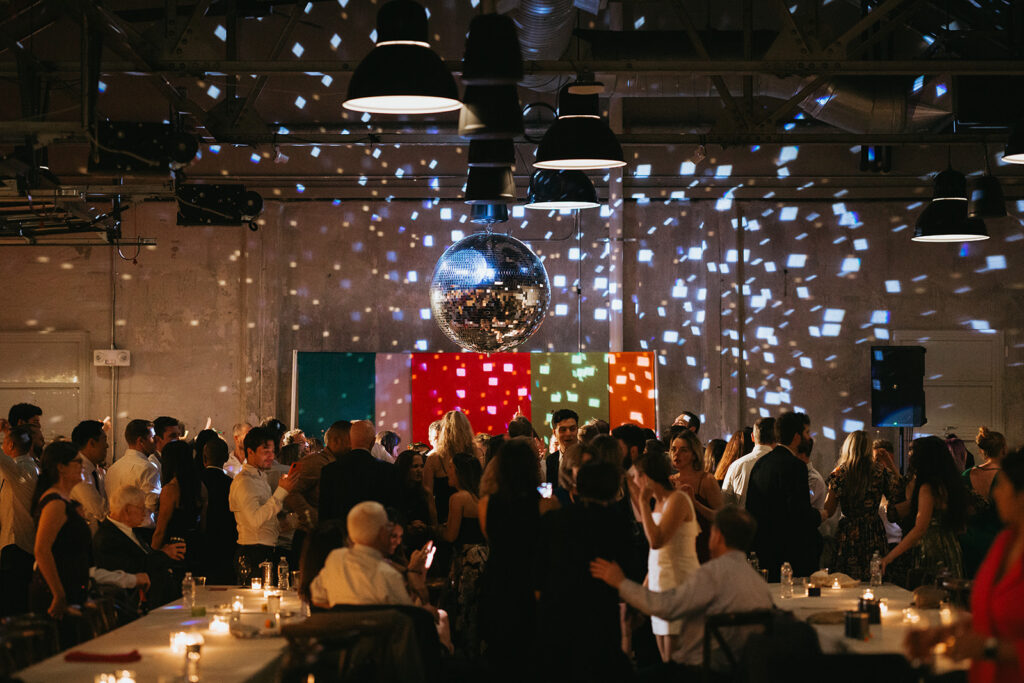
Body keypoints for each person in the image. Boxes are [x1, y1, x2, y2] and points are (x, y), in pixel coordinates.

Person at [591, 505, 773, 676]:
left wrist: (620, 582)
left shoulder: (711, 574)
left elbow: (667, 606)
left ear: (717, 536)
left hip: (697, 673)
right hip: (740, 674)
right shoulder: (759, 584)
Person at [904, 445, 1024, 683]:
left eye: (1004, 487)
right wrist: (945, 633)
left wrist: (989, 648)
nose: (996, 494)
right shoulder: (1005, 542)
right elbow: (995, 614)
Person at [536, 461, 635, 683]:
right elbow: (628, 565)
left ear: (577, 487)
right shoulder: (616, 521)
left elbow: (539, 568)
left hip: (558, 610)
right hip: (600, 609)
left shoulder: (556, 518)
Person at [478, 437, 559, 681]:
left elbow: (494, 541)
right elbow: (550, 547)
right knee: (532, 657)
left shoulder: (486, 504)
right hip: (532, 583)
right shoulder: (546, 505)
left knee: (500, 658)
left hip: (498, 582)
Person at [629, 449, 699, 661]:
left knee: (675, 661)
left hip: (678, 585)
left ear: (646, 477)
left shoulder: (677, 500)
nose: (633, 482)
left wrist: (642, 503)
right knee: (665, 658)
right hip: (661, 586)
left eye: (635, 477)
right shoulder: (659, 503)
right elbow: (655, 556)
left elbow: (657, 541)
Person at [745, 411, 821, 581]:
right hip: (788, 553)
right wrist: (819, 515)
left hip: (764, 549)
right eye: (806, 433)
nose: (809, 438)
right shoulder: (796, 467)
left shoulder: (761, 463)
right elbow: (799, 514)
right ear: (796, 437)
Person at [310, 501, 430, 607]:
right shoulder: (389, 576)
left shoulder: (335, 559)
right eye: (388, 527)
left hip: (341, 631)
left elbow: (317, 597)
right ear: (381, 533)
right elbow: (410, 619)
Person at [882, 435, 967, 582]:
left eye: (912, 452)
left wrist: (889, 558)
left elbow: (920, 529)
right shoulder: (950, 484)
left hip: (931, 549)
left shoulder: (928, 488)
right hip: (951, 546)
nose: (909, 456)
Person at [822, 431, 902, 580]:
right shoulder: (880, 472)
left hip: (848, 531)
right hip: (874, 529)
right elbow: (898, 491)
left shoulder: (839, 474)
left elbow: (829, 509)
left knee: (846, 579)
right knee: (874, 577)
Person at [93, 486, 185, 609]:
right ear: (127, 510)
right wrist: (164, 554)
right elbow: (133, 566)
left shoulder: (129, 529)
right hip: (140, 603)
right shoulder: (108, 537)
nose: (145, 512)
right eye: (141, 508)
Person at [30, 441, 91, 621]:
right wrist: (58, 593)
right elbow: (42, 549)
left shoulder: (66, 501)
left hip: (71, 586)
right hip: (55, 590)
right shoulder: (55, 503)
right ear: (61, 468)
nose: (82, 466)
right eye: (77, 462)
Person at [229, 426, 298, 571]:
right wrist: (281, 491)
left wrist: (284, 522)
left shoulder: (260, 477)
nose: (271, 457)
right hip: (253, 553)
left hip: (267, 550)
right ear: (250, 452)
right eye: (266, 452)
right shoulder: (245, 481)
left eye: (273, 452)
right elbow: (254, 520)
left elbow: (265, 517)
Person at [440, 452, 487, 658]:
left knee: (463, 609)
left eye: (450, 468)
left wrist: (434, 529)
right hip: (484, 556)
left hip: (466, 560)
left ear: (459, 472)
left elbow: (451, 535)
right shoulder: (482, 497)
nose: (447, 471)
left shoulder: (458, 498)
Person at [319, 420, 398, 523]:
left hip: (342, 534)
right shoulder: (388, 471)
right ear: (373, 442)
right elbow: (393, 511)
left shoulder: (330, 471)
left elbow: (324, 514)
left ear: (350, 440)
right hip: (375, 532)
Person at [0, 424, 39, 615]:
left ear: (11, 446)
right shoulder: (32, 468)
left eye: (4, 443)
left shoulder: (20, 469)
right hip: (26, 544)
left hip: (16, 545)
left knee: (13, 604)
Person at [668, 428, 723, 563]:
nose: (677, 454)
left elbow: (721, 517)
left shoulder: (705, 480)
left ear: (694, 454)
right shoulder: (669, 481)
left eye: (683, 450)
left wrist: (695, 503)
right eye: (674, 449)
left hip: (701, 550)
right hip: (675, 550)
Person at [961, 426, 1007, 577]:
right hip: (998, 542)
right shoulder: (1007, 477)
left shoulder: (967, 475)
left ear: (982, 450)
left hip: (969, 542)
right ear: (1003, 449)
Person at [151, 440, 202, 570]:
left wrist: (152, 556)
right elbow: (204, 522)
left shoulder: (171, 489)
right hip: (195, 546)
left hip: (174, 548)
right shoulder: (200, 487)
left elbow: (160, 530)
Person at [287, 420, 351, 517]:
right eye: (349, 441)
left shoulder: (340, 463)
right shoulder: (315, 462)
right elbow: (291, 492)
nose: (352, 446)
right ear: (336, 440)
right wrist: (313, 518)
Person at [105, 419, 161, 528]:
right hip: (140, 529)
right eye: (153, 438)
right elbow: (151, 507)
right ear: (141, 441)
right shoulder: (148, 469)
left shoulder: (113, 468)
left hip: (116, 527)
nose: (156, 441)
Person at [424, 410, 475, 524]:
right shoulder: (474, 453)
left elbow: (428, 495)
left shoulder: (434, 458)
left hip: (444, 517)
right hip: (471, 517)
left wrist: (435, 524)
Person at [198, 437, 237, 585]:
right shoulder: (231, 484)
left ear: (204, 457)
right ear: (226, 457)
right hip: (226, 543)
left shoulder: (196, 480)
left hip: (202, 543)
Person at [721, 417, 776, 507]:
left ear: (752, 437)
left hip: (742, 519)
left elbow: (725, 502)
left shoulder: (736, 465)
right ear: (777, 437)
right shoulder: (785, 465)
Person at [69, 420, 109, 534]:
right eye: (104, 440)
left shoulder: (95, 470)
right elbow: (100, 510)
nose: (107, 445)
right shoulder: (78, 471)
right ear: (91, 443)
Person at [545, 408, 579, 485]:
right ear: (554, 432)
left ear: (577, 430)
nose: (568, 434)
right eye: (563, 430)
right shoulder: (551, 460)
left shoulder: (586, 457)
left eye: (572, 429)